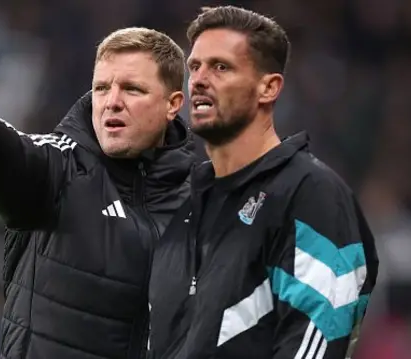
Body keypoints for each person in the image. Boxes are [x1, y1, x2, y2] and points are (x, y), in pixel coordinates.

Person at [0, 27, 195, 359]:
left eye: (132, 89)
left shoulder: (199, 198)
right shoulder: (62, 165)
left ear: (173, 104)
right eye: (101, 88)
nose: (112, 101)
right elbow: (20, 159)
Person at [148, 6, 379, 359]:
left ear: (268, 87)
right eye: (194, 66)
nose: (198, 79)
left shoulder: (309, 192)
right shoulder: (184, 209)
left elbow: (317, 339)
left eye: (221, 67)